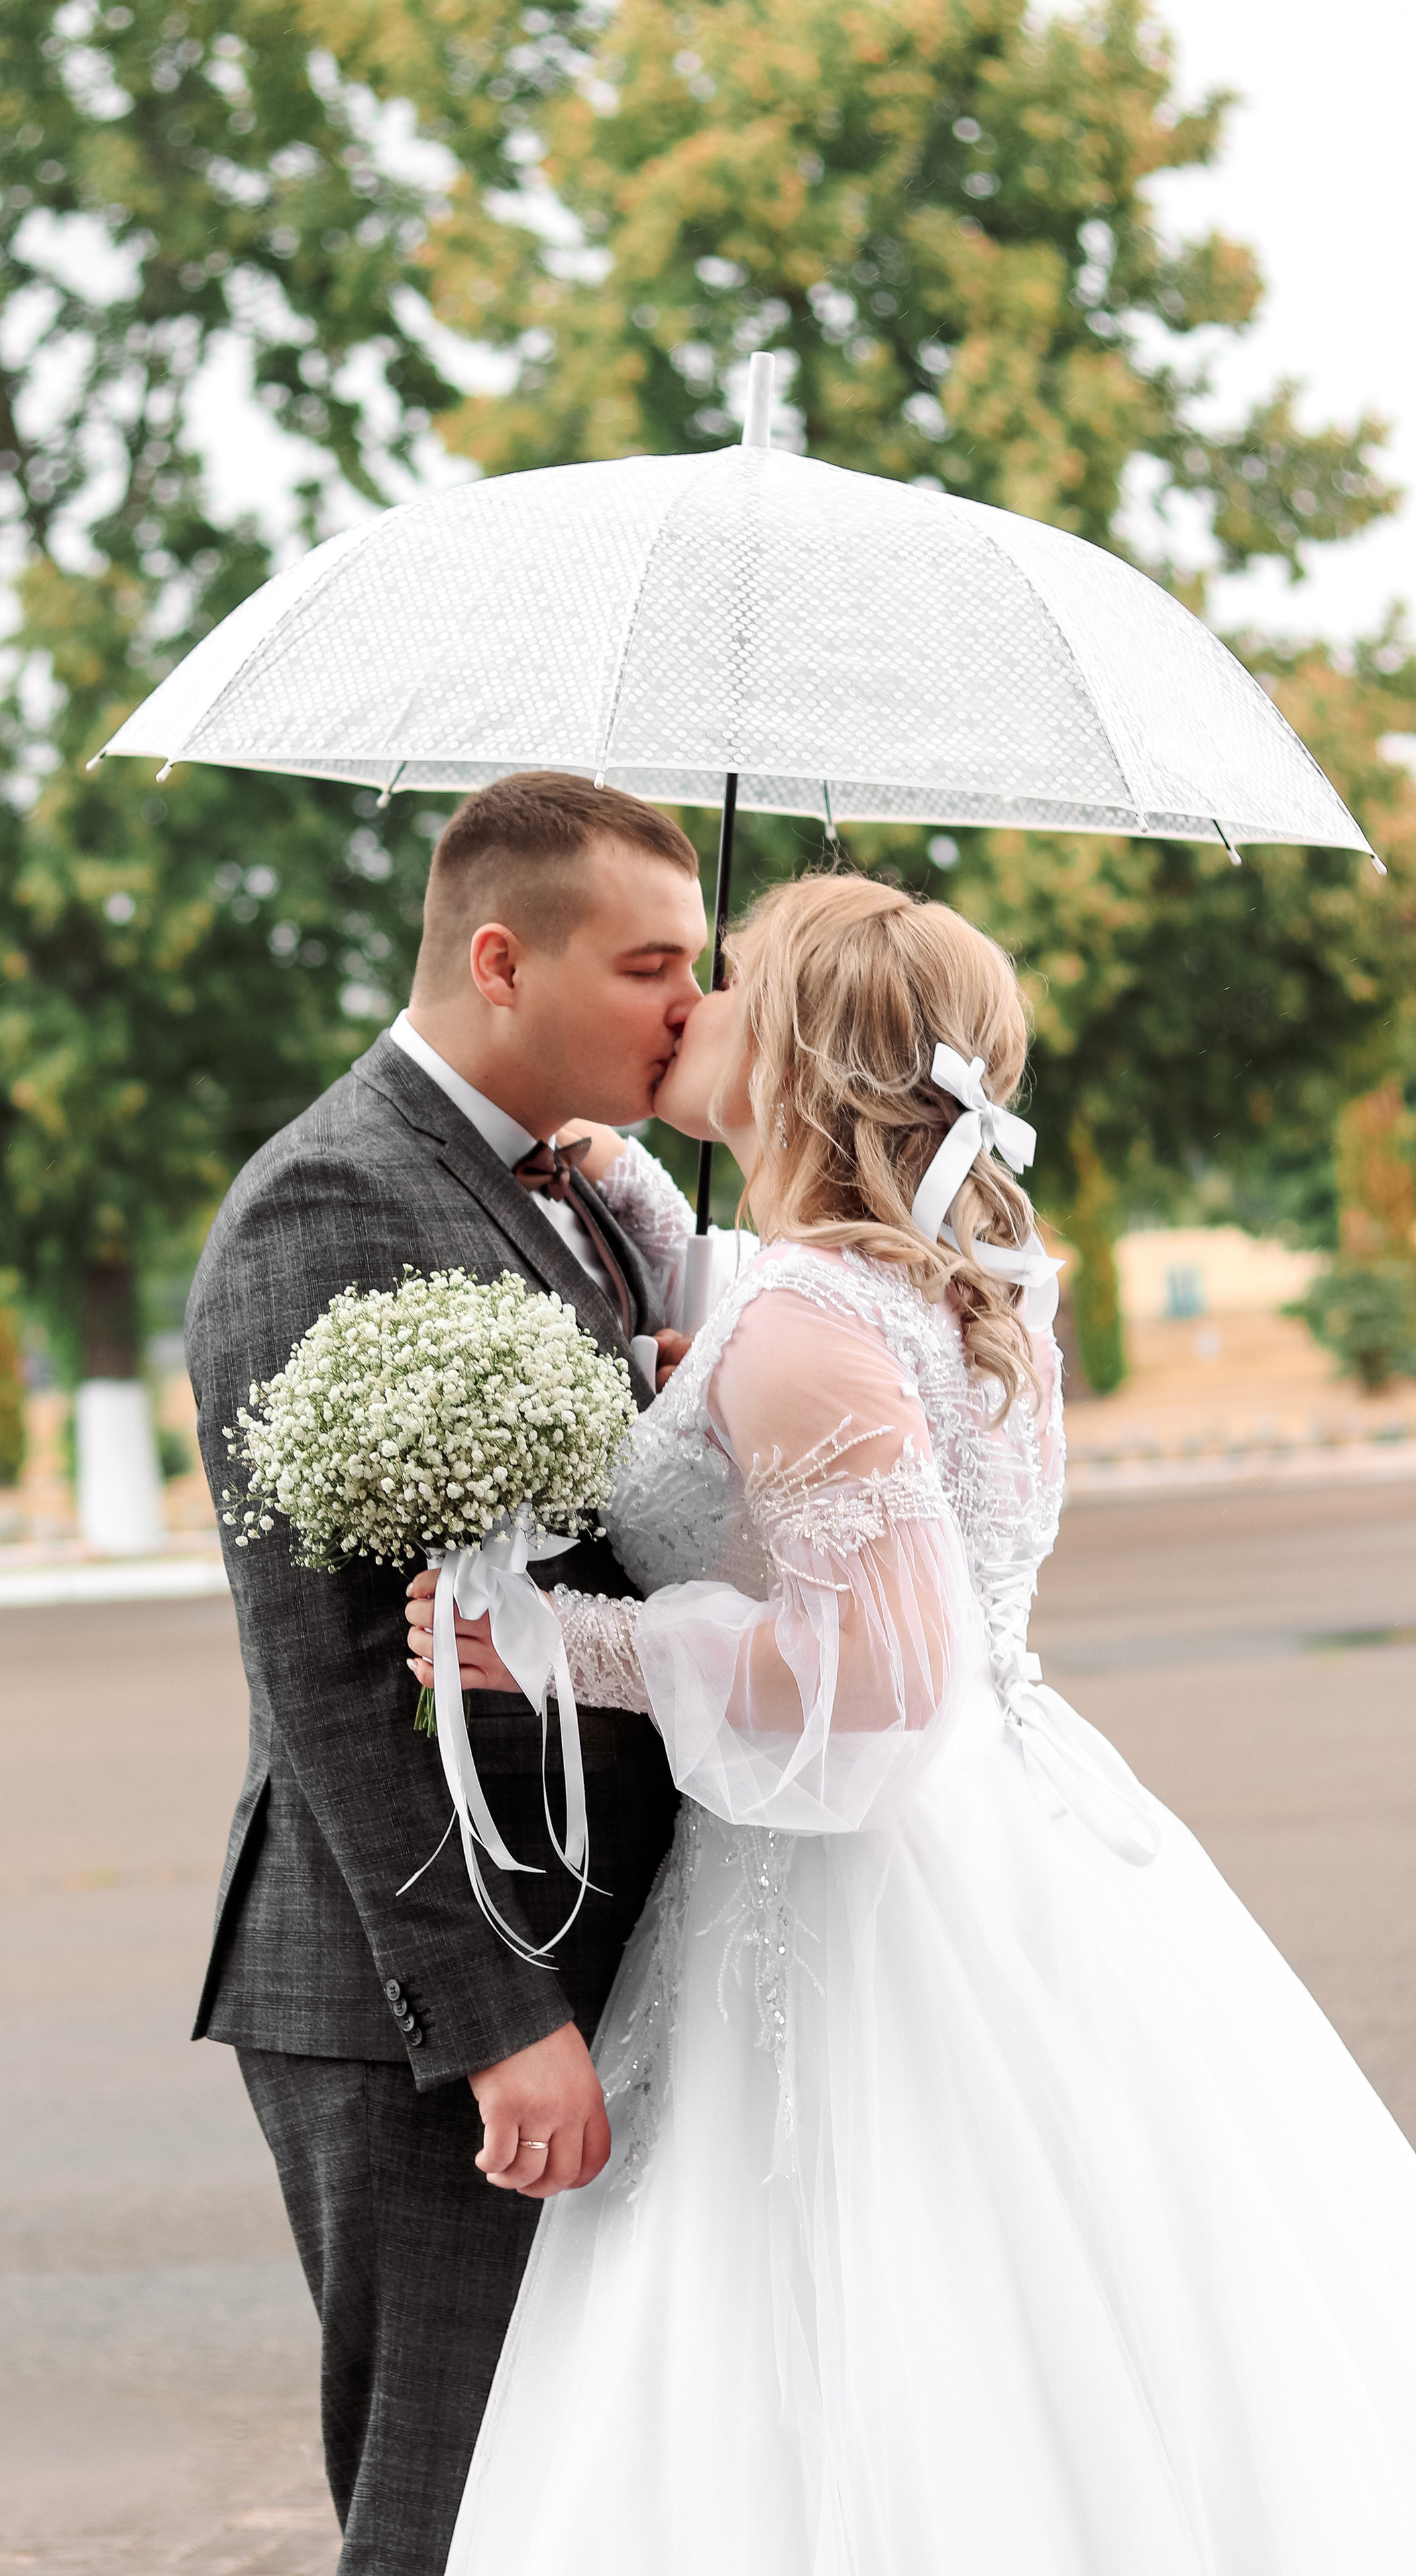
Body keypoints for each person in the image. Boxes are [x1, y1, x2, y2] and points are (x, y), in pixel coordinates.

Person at [409, 872, 1416, 2574]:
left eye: (728, 980)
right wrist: (642, 1214)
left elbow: (881, 1673)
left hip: (863, 1887)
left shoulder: (806, 1320)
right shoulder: (949, 1284)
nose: (692, 1002)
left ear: (794, 1053)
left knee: (859, 2320)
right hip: (1016, 1832)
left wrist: (562, 1644)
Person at [184, 771, 710, 2575]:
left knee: (579, 2502)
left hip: (599, 1933)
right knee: (447, 2507)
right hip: (417, 1996)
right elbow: (331, 1668)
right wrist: (496, 2022)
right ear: (500, 961)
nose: (688, 1009)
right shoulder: (330, 1198)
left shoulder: (579, 1188)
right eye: (648, 966)